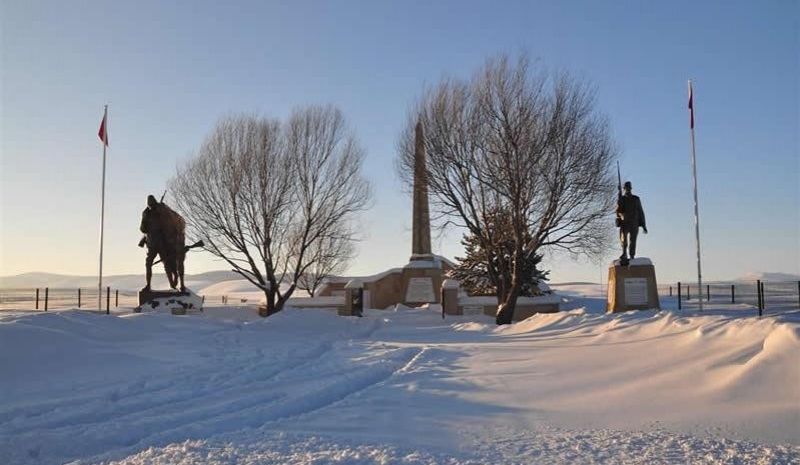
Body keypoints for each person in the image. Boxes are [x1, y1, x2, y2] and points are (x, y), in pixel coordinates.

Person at [616, 181, 647, 263]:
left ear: (631, 188)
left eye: (629, 187)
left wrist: (644, 225)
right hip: (625, 222)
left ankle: (632, 256)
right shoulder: (622, 199)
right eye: (626, 188)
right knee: (624, 239)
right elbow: (618, 211)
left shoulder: (636, 199)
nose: (628, 189)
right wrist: (619, 197)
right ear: (624, 189)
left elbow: (640, 211)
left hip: (634, 223)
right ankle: (624, 253)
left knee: (633, 241)